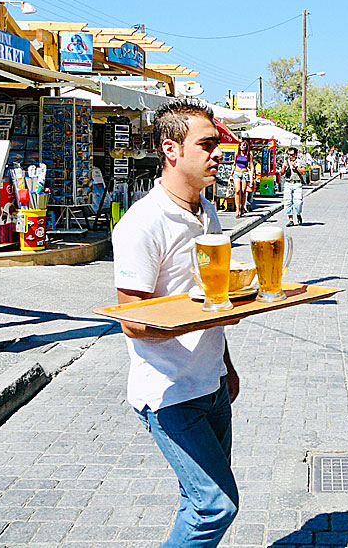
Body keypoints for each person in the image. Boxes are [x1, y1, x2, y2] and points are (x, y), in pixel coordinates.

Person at [112, 99, 239, 547]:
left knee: (196, 500)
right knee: (215, 506)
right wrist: (206, 315)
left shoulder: (206, 212)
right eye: (206, 145)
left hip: (210, 385)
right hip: (168, 393)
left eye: (216, 143)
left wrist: (226, 365)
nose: (218, 153)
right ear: (171, 149)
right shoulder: (141, 224)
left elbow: (208, 292)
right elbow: (132, 321)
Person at [281, 147, 304, 226]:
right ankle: (291, 220)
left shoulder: (299, 162)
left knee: (298, 202)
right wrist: (284, 167)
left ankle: (298, 214)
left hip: (297, 183)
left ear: (295, 154)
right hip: (288, 183)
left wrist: (296, 167)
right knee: (287, 202)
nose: (290, 156)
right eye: (289, 155)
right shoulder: (286, 162)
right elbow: (281, 173)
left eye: (291, 154)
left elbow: (303, 172)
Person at [231, 140, 254, 218]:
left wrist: (251, 178)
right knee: (237, 190)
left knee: (243, 191)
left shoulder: (248, 155)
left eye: (244, 145)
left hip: (244, 173)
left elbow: (251, 166)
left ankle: (242, 207)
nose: (242, 147)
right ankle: (237, 209)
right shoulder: (237, 155)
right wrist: (231, 175)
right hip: (237, 173)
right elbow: (234, 164)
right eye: (241, 145)